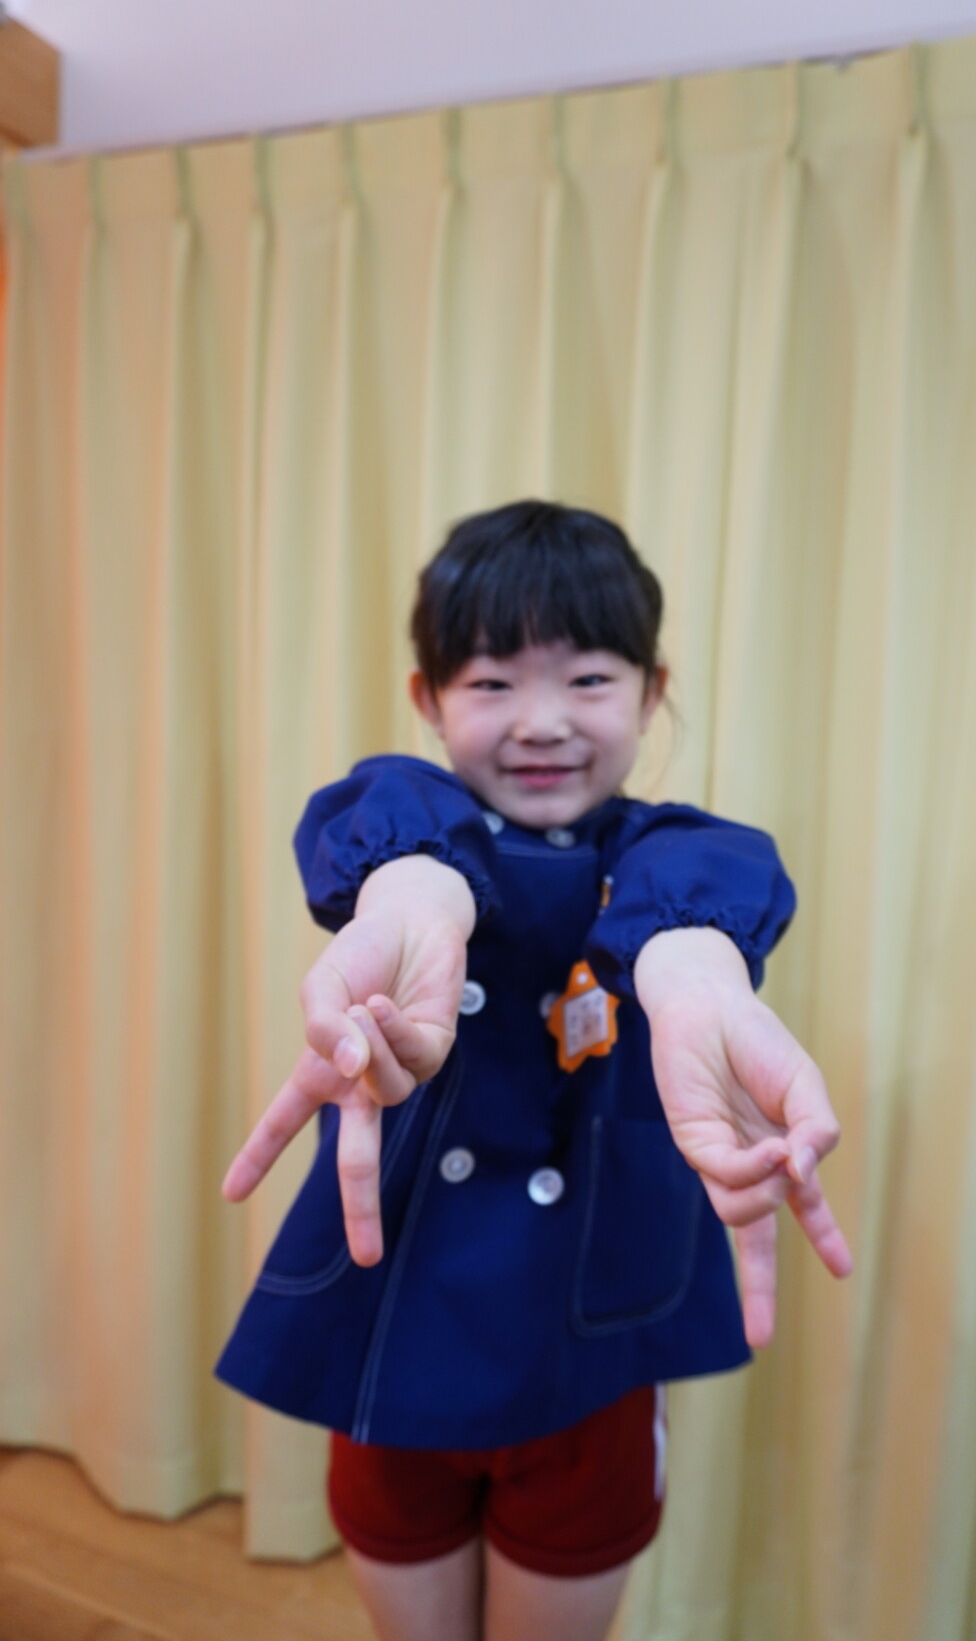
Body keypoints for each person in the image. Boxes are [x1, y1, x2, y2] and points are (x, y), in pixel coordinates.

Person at [217, 499, 852, 1641]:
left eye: (590, 680)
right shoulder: (418, 828)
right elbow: (400, 823)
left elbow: (695, 885)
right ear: (428, 700)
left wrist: (695, 969)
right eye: (493, 682)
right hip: (395, 1327)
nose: (543, 722)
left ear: (653, 692)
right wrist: (412, 890)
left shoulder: (661, 855)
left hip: (587, 1358)